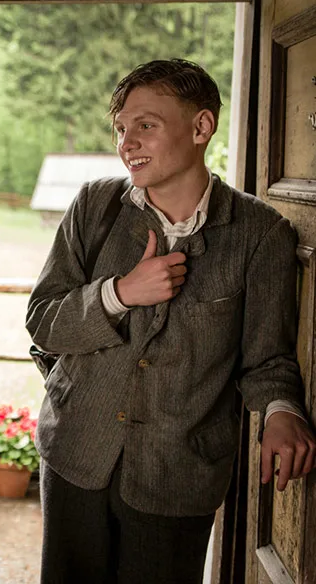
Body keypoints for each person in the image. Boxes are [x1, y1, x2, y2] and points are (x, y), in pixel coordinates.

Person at [26, 58, 316, 583]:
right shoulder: (94, 205)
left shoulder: (260, 233)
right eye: (121, 129)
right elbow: (43, 321)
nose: (127, 143)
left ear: (201, 127)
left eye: (146, 125)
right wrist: (118, 294)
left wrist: (281, 411)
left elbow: (268, 359)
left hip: (179, 475)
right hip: (75, 455)